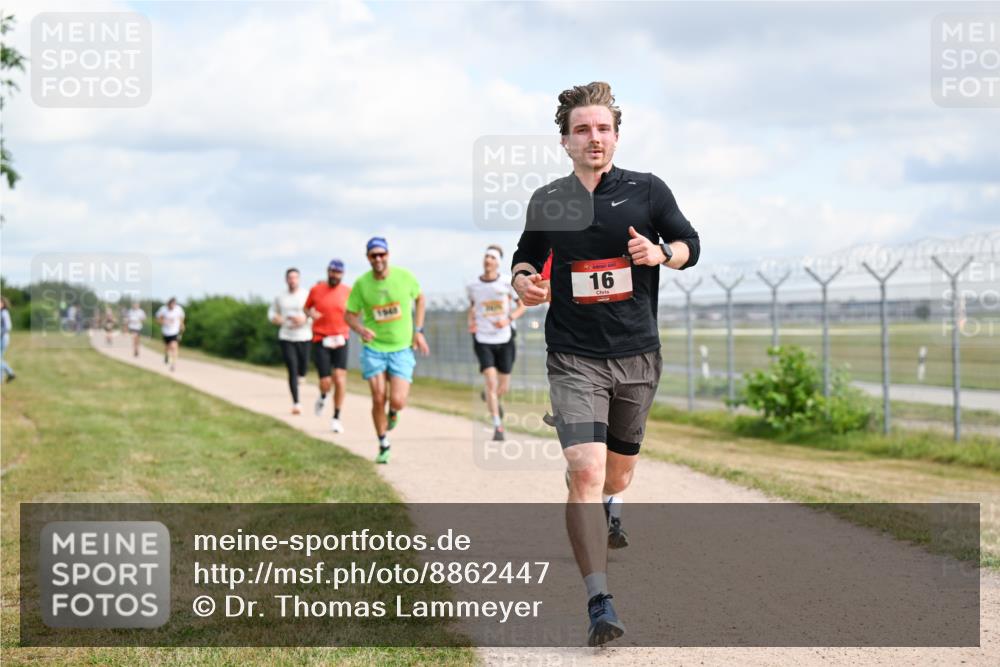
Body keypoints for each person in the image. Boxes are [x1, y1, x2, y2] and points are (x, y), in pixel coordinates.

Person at [511, 81, 700, 646]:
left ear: (616, 136)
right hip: (574, 355)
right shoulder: (549, 199)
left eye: (603, 129)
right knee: (586, 470)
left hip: (636, 354)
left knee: (615, 475)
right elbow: (526, 255)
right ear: (565, 141)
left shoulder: (647, 190)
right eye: (582, 130)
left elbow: (690, 244)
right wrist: (523, 280)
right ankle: (599, 601)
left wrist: (661, 253)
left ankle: (612, 501)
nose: (594, 138)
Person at [345, 237, 429, 464]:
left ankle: (393, 413)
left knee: (398, 400)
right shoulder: (362, 284)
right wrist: (360, 329)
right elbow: (349, 315)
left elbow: (420, 299)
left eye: (382, 254)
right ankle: (383, 443)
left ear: (388, 255)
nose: (378, 259)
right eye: (374, 255)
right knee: (378, 397)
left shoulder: (404, 277)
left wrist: (418, 330)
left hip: (401, 348)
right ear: (368, 258)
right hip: (374, 348)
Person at [467, 244, 525, 441]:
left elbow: (522, 306)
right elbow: (472, 308)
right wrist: (471, 323)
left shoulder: (507, 283)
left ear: (498, 262)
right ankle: (498, 426)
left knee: (502, 386)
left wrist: (508, 319)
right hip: (483, 338)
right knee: (491, 382)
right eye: (486, 257)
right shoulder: (473, 286)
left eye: (492, 257)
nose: (488, 260)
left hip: (505, 338)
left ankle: (490, 396)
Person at [304, 260, 351, 431]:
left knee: (339, 377)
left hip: (341, 338)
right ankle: (323, 395)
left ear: (342, 274)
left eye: (338, 272)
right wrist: (311, 313)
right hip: (321, 338)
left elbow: (356, 311)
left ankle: (336, 417)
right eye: (332, 271)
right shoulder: (316, 290)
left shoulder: (348, 291)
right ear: (328, 272)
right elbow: (306, 308)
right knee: (325, 381)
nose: (334, 275)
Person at [269, 268, 313, 415]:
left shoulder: (306, 295)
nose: (292, 280)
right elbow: (271, 312)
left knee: (303, 367)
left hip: (304, 336)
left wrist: (304, 319)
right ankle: (296, 403)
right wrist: (276, 318)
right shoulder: (280, 296)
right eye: (290, 278)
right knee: (292, 368)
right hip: (286, 336)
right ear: (286, 279)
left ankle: (302, 375)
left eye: (295, 277)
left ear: (299, 279)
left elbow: (314, 313)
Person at [155, 297, 185, 372]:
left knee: (174, 346)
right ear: (168, 304)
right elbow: (158, 320)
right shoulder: (163, 309)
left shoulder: (178, 309)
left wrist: (182, 325)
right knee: (167, 347)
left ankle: (173, 365)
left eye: (174, 304)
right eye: (171, 305)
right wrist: (164, 322)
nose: (172, 306)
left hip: (174, 332)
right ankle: (166, 355)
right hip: (166, 332)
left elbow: (181, 318)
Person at [1, 297, 16, 383]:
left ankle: (10, 373)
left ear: (3, 304)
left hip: (3, 338)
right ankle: (1, 378)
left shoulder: (4, 313)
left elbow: (8, 327)